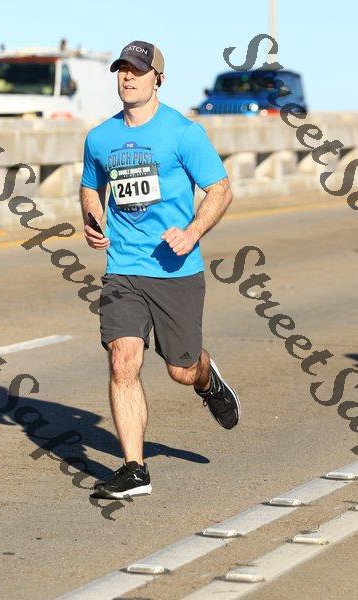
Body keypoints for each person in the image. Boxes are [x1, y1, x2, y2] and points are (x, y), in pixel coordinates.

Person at [80, 40, 241, 500]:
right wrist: (91, 219)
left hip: (175, 270)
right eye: (122, 70)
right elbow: (90, 186)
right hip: (123, 269)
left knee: (181, 370)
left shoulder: (183, 133)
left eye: (137, 70)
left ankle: (207, 379)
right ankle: (135, 470)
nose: (127, 77)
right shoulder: (100, 137)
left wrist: (192, 232)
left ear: (158, 79)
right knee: (122, 360)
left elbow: (220, 190)